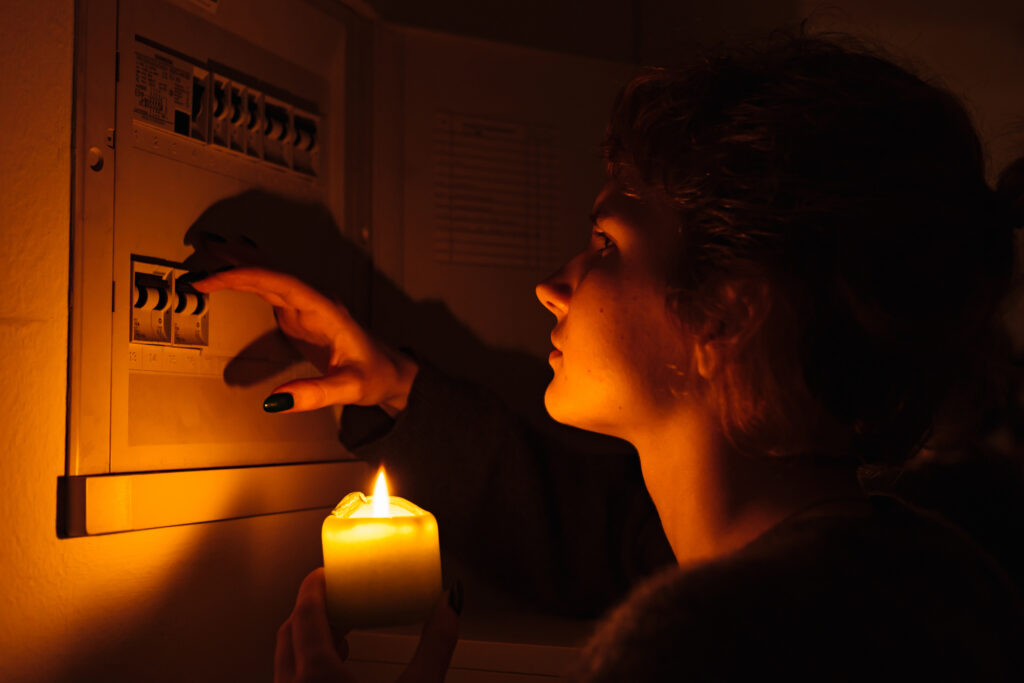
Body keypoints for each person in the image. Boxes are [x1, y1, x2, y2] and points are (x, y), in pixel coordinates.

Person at [195, 33, 1024, 682]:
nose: (552, 286)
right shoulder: (922, 574)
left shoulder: (715, 646)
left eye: (604, 241)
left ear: (727, 313)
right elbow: (599, 542)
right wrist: (393, 388)